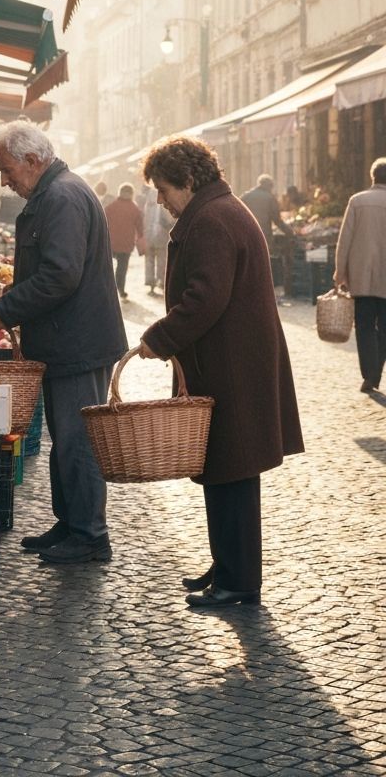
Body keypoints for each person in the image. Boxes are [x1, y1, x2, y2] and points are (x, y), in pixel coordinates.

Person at [138, 136, 303, 609]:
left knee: (232, 471)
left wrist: (159, 338)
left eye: (164, 189)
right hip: (231, 361)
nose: (160, 200)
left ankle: (239, 580)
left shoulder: (212, 219)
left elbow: (204, 299)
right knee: (223, 469)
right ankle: (227, 563)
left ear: (189, 180)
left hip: (231, 366)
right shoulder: (217, 210)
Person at [0, 121, 127, 564]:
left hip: (78, 342)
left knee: (78, 440)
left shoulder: (62, 197)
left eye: (7, 170)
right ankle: (71, 523)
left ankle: (90, 535)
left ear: (32, 160)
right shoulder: (56, 193)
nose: (4, 181)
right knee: (65, 438)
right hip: (68, 339)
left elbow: (61, 275)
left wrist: (8, 308)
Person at [334, 157, 386, 392]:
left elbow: (344, 240)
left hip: (361, 276)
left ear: (372, 176)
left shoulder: (357, 201)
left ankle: (369, 374)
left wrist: (340, 273)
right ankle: (376, 373)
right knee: (384, 328)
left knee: (364, 326)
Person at [104, 182, 144, 299]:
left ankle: (107, 288)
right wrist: (140, 237)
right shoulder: (134, 208)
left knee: (107, 266)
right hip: (126, 244)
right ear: (131, 194)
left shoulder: (111, 207)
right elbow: (140, 227)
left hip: (111, 242)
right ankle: (120, 289)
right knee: (122, 268)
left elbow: (103, 222)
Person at [241, 174, 293, 248]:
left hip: (247, 234)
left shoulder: (245, 196)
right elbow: (277, 220)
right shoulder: (270, 198)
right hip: (264, 235)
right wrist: (290, 232)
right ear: (269, 186)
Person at [142, 186, 173, 295]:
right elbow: (169, 221)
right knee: (162, 260)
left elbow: (144, 219)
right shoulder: (164, 205)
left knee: (149, 261)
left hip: (149, 235)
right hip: (161, 235)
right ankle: (161, 282)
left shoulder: (148, 206)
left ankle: (151, 284)